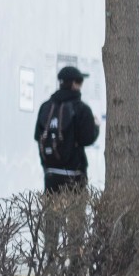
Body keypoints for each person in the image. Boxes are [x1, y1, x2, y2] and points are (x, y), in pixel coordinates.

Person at [34, 65, 99, 193]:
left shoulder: (45, 107)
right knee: (74, 212)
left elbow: (38, 136)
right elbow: (87, 139)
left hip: (50, 173)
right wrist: (95, 126)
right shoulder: (81, 109)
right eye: (80, 82)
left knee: (52, 211)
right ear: (74, 84)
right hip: (74, 174)